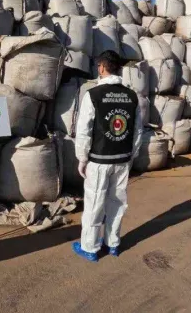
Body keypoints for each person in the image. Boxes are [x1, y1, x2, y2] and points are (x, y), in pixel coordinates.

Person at [72, 50, 143, 262]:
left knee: (95, 203)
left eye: (98, 66)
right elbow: (137, 130)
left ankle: (90, 248)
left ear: (102, 67)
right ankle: (113, 244)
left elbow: (83, 130)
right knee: (117, 203)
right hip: (122, 159)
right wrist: (132, 156)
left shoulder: (93, 94)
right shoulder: (132, 96)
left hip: (99, 159)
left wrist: (82, 158)